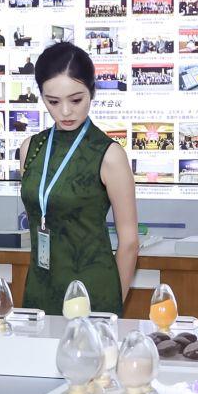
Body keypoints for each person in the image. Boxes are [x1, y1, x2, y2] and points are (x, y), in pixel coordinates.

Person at [15, 42, 138, 314]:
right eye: (53, 102)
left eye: (76, 100)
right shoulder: (30, 148)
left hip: (93, 292)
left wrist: (111, 305)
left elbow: (129, 242)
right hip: (39, 287)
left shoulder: (108, 154)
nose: (65, 112)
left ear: (92, 92)